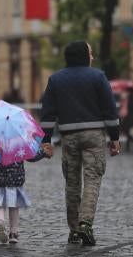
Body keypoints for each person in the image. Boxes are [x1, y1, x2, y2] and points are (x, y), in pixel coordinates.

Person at [40, 41, 120, 246]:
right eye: (90, 53)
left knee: (72, 183)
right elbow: (110, 109)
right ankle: (86, 224)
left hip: (69, 137)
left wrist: (46, 140)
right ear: (84, 56)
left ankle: (74, 230)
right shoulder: (98, 76)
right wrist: (115, 137)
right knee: (92, 178)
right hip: (94, 136)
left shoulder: (55, 79)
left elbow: (48, 112)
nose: (92, 56)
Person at [0, 149, 46, 244]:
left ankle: (0, 221)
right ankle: (13, 233)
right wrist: (44, 152)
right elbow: (31, 156)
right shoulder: (19, 142)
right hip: (15, 179)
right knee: (14, 206)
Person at [120, 86, 133, 152]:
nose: (126, 93)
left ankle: (132, 144)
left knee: (126, 130)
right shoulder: (125, 99)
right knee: (126, 131)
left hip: (129, 118)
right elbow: (122, 108)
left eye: (127, 92)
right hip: (124, 117)